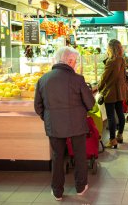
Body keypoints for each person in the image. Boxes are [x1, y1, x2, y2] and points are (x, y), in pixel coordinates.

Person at [34, 47, 94, 201]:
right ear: (69, 61)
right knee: (80, 155)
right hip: (77, 124)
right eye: (75, 61)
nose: (75, 65)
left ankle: (57, 191)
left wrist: (49, 117)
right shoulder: (78, 79)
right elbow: (90, 104)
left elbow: (38, 106)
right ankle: (81, 187)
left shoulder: (43, 79)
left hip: (54, 124)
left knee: (57, 157)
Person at [98, 39, 127, 148]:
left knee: (111, 117)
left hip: (110, 92)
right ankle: (120, 135)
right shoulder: (122, 60)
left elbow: (104, 77)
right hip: (120, 91)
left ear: (110, 48)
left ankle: (112, 140)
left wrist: (100, 88)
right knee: (120, 113)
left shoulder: (111, 61)